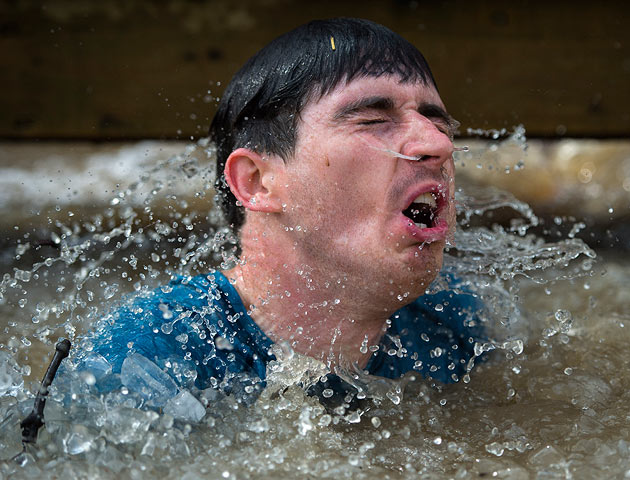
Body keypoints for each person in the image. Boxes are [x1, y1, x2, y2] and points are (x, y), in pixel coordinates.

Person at [80, 18, 485, 407]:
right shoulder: (148, 358)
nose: (438, 144)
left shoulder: (455, 324)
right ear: (257, 182)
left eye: (440, 125)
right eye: (375, 120)